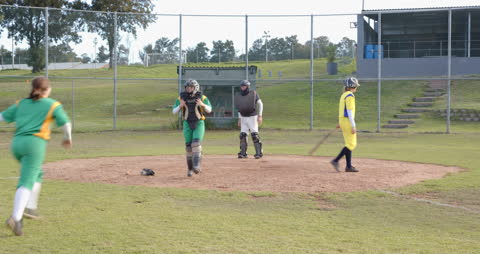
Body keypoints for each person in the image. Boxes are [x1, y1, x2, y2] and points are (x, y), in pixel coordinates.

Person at [0, 77, 72, 236]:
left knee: (37, 174)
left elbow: (2, 117)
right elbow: (66, 124)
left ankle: (30, 208)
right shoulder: (52, 104)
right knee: (27, 180)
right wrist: (68, 138)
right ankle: (16, 218)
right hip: (34, 145)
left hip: (17, 144)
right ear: (48, 89)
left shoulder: (22, 103)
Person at [172, 79, 212, 177]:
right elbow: (174, 111)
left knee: (196, 143)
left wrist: (202, 104)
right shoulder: (181, 98)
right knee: (188, 146)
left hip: (199, 122)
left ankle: (196, 166)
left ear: (195, 87)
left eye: (190, 87)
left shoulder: (202, 97)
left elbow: (209, 110)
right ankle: (190, 169)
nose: (188, 89)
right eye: (187, 87)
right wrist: (180, 106)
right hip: (187, 123)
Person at [330, 77, 360, 173]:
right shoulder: (350, 95)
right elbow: (349, 112)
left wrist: (340, 123)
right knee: (352, 144)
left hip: (343, 121)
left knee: (348, 143)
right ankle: (336, 160)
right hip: (347, 121)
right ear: (352, 86)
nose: (356, 88)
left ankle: (348, 166)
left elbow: (342, 110)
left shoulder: (343, 95)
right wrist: (353, 125)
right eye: (356, 86)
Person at [235, 80, 264, 159]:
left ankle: (259, 153)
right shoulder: (239, 95)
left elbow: (260, 104)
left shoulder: (253, 94)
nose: (242, 88)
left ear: (247, 87)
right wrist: (239, 119)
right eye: (241, 86)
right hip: (243, 117)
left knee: (255, 135)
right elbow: (239, 108)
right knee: (242, 135)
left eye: (244, 86)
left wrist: (260, 116)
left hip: (252, 117)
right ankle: (243, 153)